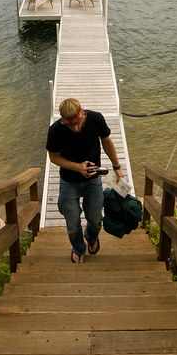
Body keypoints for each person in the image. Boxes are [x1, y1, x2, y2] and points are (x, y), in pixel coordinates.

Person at [46, 97, 124, 262]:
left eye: (77, 122)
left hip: (93, 180)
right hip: (68, 181)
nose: (74, 127)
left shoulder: (95, 119)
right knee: (73, 222)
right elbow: (53, 157)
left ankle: (92, 237)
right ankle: (78, 247)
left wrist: (117, 167)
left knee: (95, 220)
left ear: (82, 113)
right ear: (62, 120)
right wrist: (77, 167)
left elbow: (106, 141)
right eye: (69, 124)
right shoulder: (56, 131)